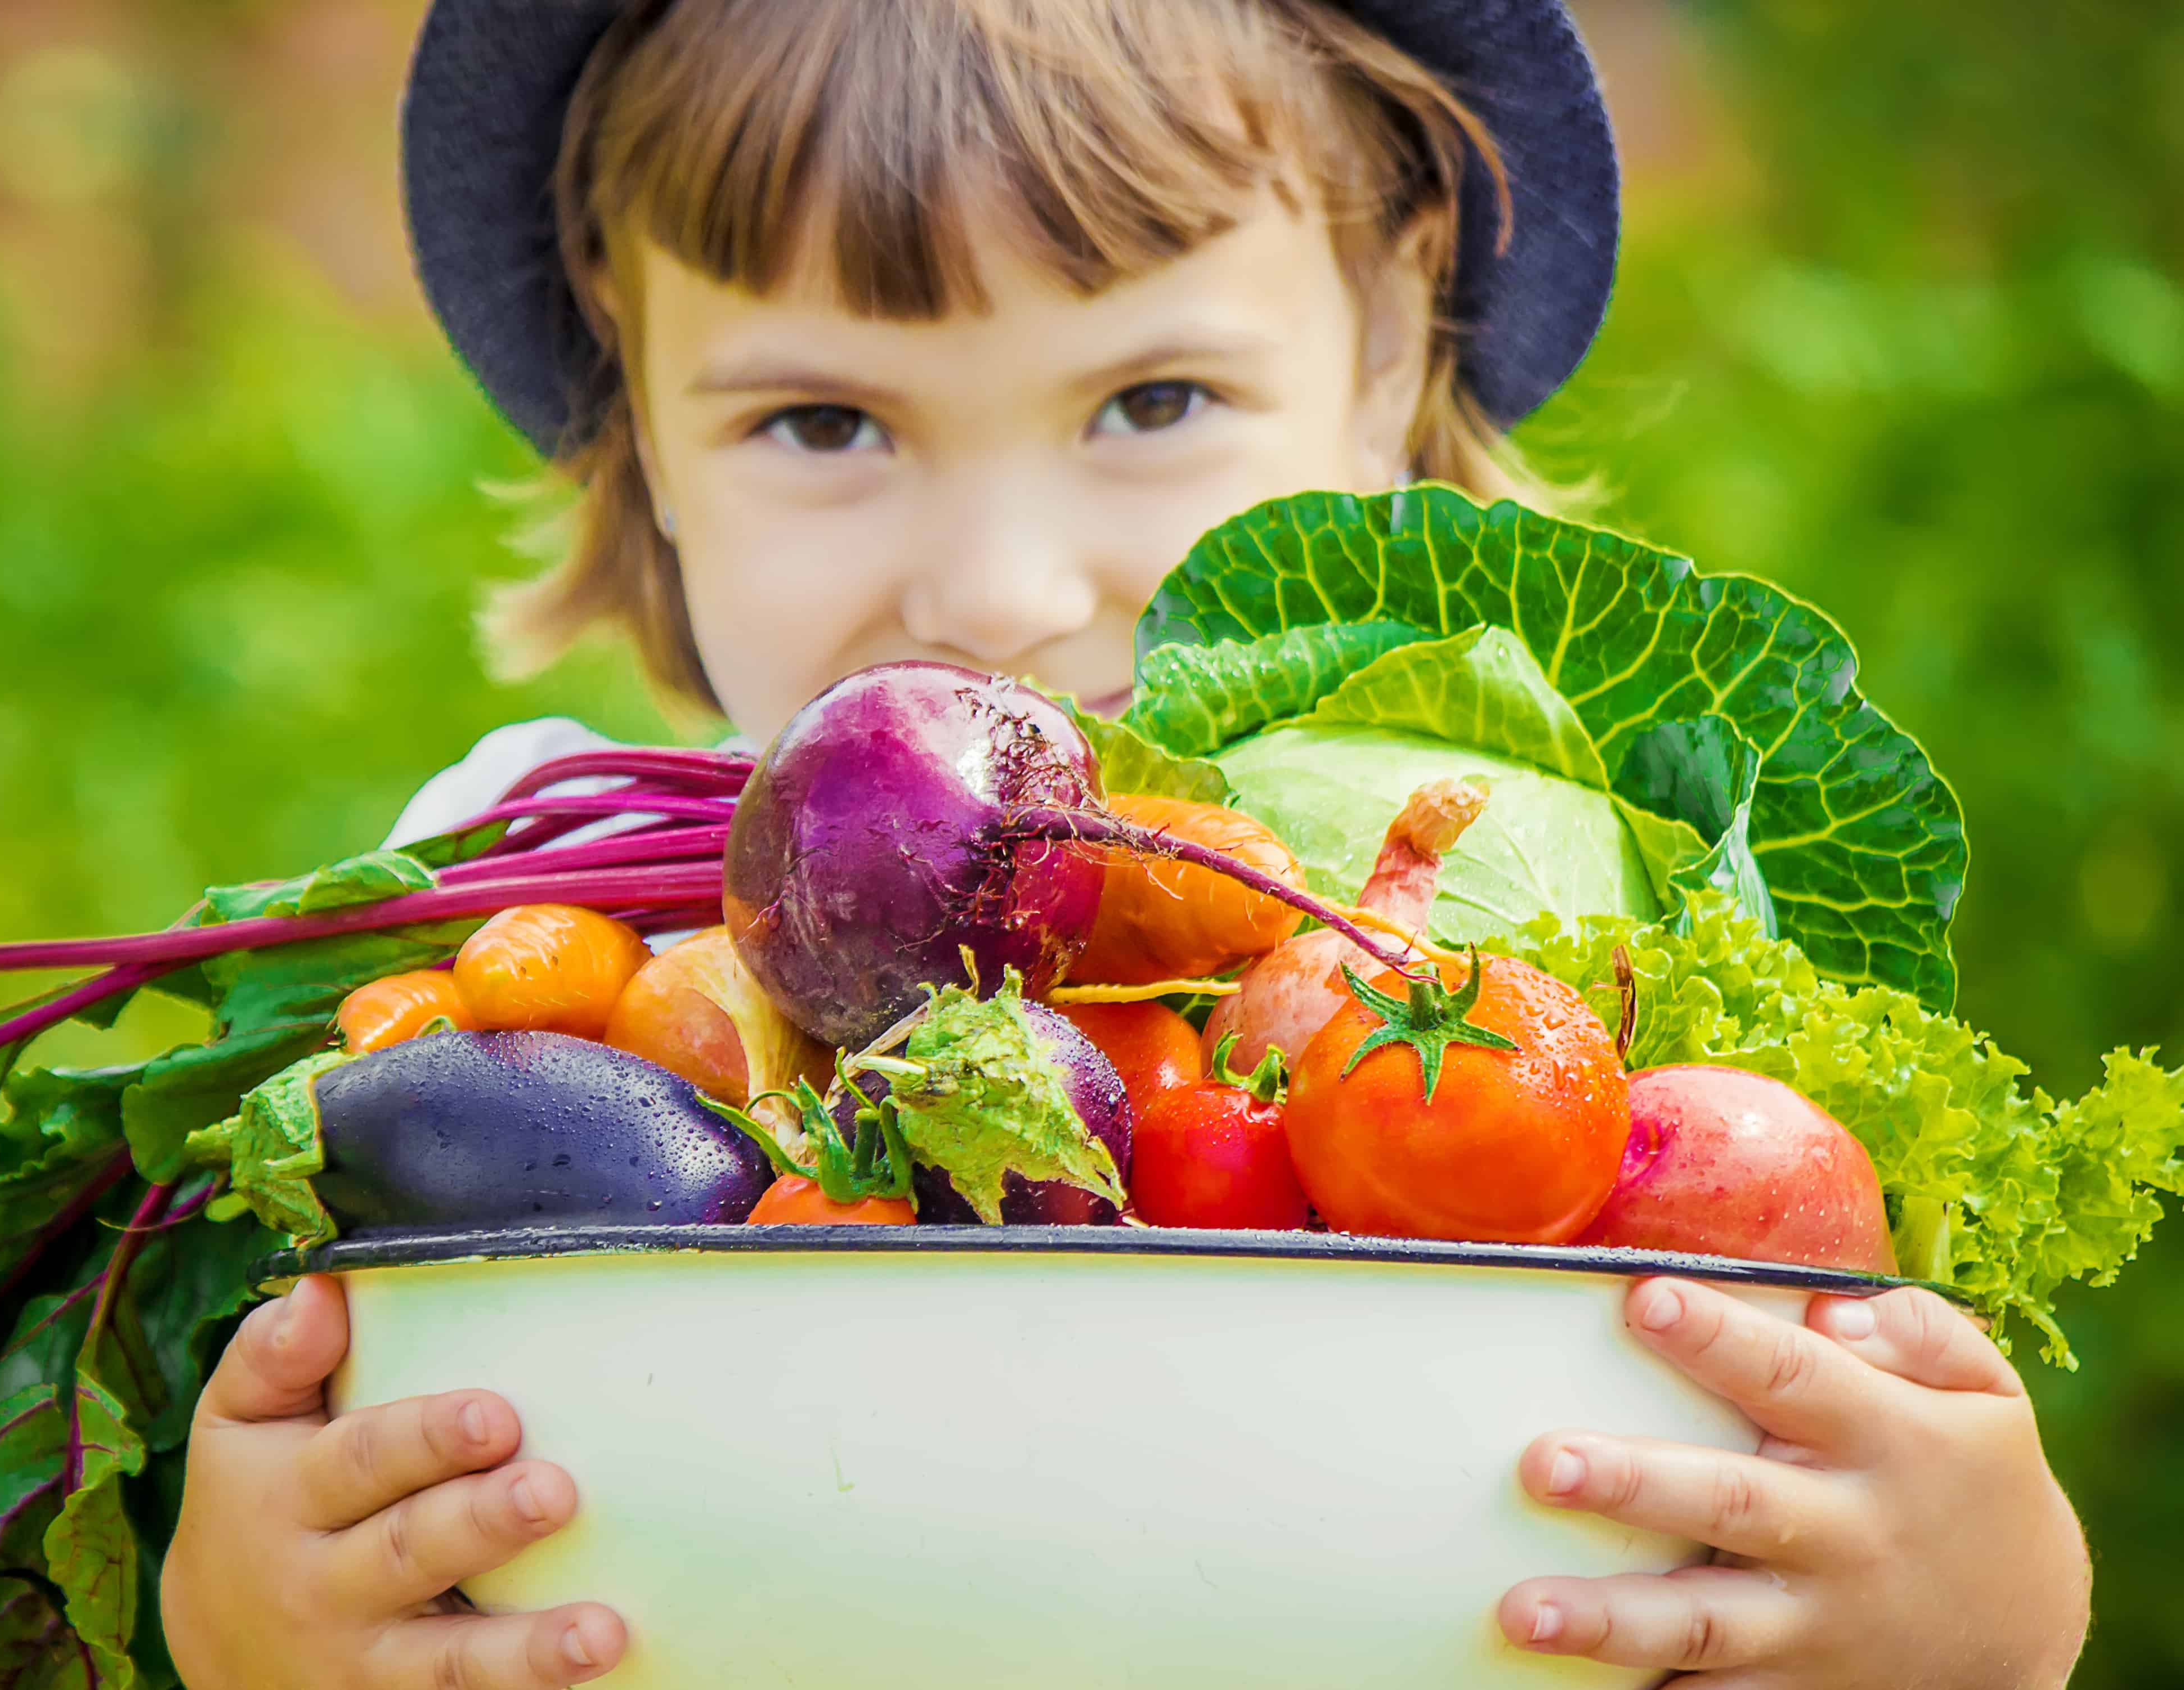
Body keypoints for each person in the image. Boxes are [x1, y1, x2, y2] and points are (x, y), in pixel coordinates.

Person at [160, 2, 2094, 1686]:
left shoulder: (1589, 951)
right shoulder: (510, 898)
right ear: (637, 398)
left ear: (1389, 339)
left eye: (1151, 400)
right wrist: (253, 1623)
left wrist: (1985, 1623)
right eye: (821, 421)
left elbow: (1820, 1467)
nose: (999, 593)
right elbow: (337, 1454)